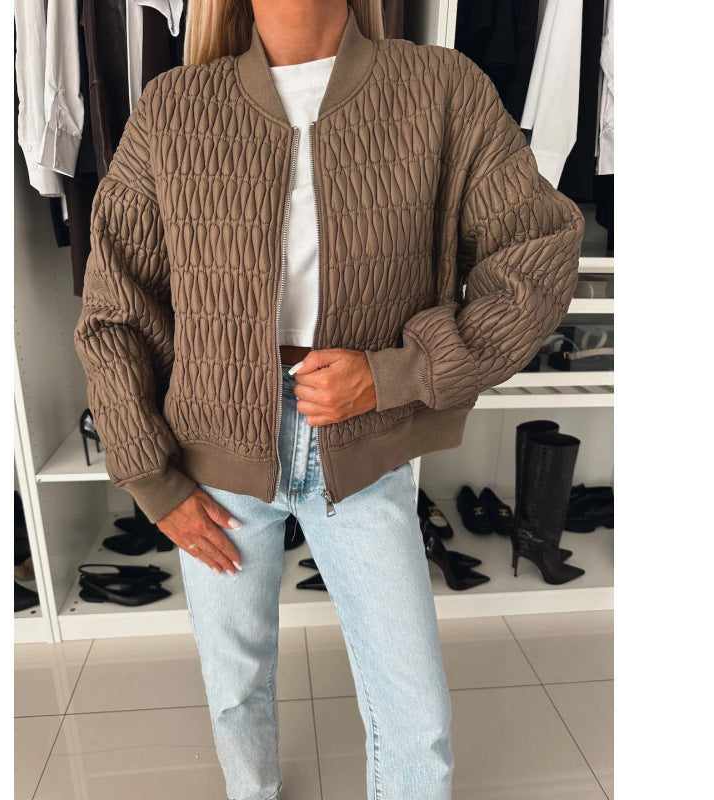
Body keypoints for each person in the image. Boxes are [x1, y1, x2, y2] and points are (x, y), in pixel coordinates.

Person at [73, 1, 585, 798]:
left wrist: (399, 373)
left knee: (417, 717)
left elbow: (537, 253)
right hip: (215, 458)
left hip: (363, 445)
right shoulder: (176, 105)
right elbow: (114, 309)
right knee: (235, 686)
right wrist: (152, 482)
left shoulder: (439, 88)